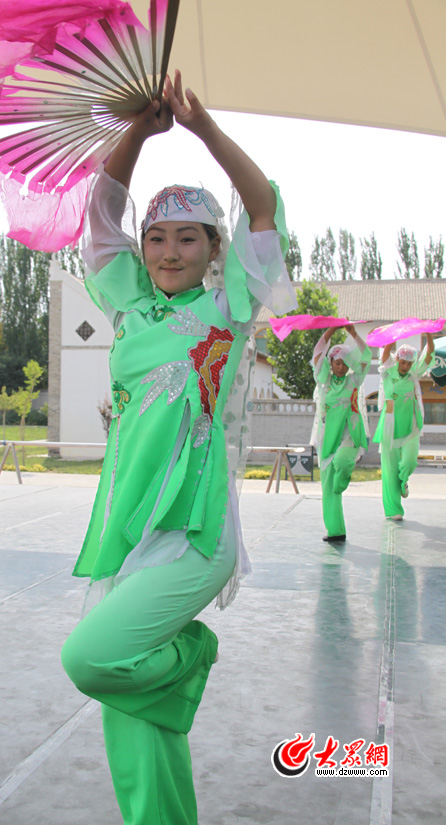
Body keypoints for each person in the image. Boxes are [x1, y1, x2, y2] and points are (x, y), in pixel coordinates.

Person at [60, 70, 296, 825]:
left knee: (93, 659)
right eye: (156, 237)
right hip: (127, 526)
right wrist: (139, 130)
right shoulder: (128, 302)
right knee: (133, 722)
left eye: (185, 237)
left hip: (195, 534)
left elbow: (262, 208)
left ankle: (191, 656)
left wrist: (201, 131)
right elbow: (101, 209)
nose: (167, 250)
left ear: (211, 247)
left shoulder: (229, 307)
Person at [311, 325, 371, 542]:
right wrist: (330, 330)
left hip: (349, 435)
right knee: (328, 490)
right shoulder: (324, 383)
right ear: (331, 363)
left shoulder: (354, 381)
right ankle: (336, 531)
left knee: (343, 463)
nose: (342, 367)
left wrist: (353, 333)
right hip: (327, 438)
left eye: (346, 364)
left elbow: (366, 356)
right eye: (338, 363)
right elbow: (317, 355)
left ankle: (343, 478)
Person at [373, 335, 435, 520]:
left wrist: (429, 335)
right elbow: (385, 354)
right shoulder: (388, 372)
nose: (406, 366)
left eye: (409, 363)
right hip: (390, 426)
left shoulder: (414, 373)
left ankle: (403, 480)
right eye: (403, 362)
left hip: (411, 425)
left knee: (409, 461)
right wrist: (394, 335)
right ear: (397, 359)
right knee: (389, 468)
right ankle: (394, 510)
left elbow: (429, 354)